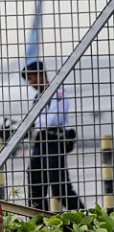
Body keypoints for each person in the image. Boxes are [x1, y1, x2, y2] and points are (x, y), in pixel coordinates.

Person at [21, 60, 83, 211]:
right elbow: (36, 121)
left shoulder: (58, 93)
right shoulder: (37, 98)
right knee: (35, 184)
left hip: (55, 141)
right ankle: (39, 223)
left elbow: (53, 120)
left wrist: (35, 121)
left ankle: (84, 217)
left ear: (41, 75)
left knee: (59, 187)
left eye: (31, 78)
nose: (30, 83)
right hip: (40, 143)